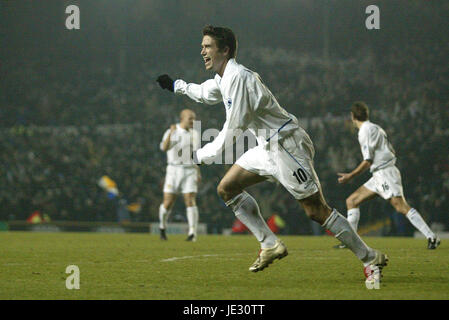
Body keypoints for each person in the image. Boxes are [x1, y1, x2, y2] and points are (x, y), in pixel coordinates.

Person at [156, 25, 387, 288]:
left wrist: (199, 155)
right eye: (202, 46)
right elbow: (206, 93)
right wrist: (177, 86)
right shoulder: (224, 77)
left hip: (287, 146)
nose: (202, 50)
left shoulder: (239, 78)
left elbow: (232, 130)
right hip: (267, 147)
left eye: (208, 46)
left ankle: (370, 259)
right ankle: (270, 244)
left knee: (316, 210)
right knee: (227, 188)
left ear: (225, 50)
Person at [336, 101, 440, 249]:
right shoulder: (377, 128)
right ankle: (351, 241)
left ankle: (431, 236)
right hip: (380, 173)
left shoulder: (364, 131)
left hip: (385, 173)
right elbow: (392, 151)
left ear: (352, 116)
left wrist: (350, 176)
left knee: (400, 206)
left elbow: (367, 160)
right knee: (352, 201)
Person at [158, 109, 202, 241]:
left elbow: (195, 155)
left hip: (190, 170)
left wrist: (198, 171)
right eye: (190, 118)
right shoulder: (172, 130)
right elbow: (163, 148)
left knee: (190, 200)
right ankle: (162, 227)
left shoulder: (195, 133)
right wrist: (171, 134)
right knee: (168, 203)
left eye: (194, 118)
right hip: (173, 170)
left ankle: (192, 233)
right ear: (182, 118)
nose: (193, 121)